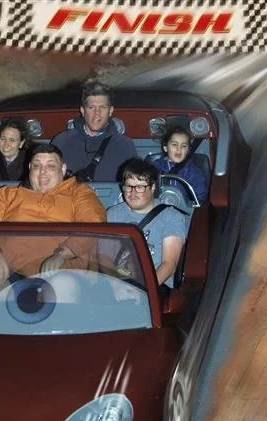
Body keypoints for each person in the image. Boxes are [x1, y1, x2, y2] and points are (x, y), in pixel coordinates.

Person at [0, 144, 106, 294]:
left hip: (64, 269)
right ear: (29, 168)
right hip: (11, 270)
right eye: (37, 166)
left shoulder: (80, 193)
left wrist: (62, 255)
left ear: (62, 169)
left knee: (62, 285)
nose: (43, 172)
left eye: (50, 166)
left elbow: (93, 224)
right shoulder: (4, 195)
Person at [106, 158, 189, 290]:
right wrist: (115, 287)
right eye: (128, 186)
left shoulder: (171, 217)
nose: (132, 193)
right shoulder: (113, 214)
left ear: (153, 187)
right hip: (118, 283)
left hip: (155, 284)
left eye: (139, 187)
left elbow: (169, 264)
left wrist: (144, 290)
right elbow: (105, 257)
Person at [51, 80, 137, 183]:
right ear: (83, 111)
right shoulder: (61, 142)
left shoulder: (125, 146)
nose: (97, 113)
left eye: (103, 107)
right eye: (91, 107)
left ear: (111, 111)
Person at [151, 125, 209, 203]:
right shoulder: (154, 168)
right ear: (165, 147)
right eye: (174, 144)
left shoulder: (193, 172)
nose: (179, 149)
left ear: (188, 150)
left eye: (184, 146)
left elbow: (200, 197)